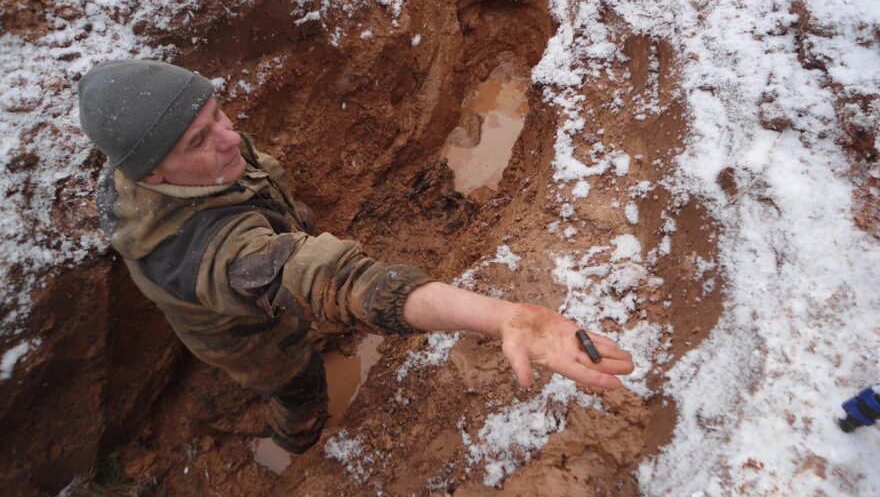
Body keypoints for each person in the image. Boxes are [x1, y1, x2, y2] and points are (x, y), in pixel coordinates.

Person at [78, 60, 634, 454]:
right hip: (255, 338)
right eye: (200, 141)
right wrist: (501, 316)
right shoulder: (202, 253)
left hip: (271, 252)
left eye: (220, 115)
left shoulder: (174, 156)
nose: (229, 138)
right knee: (297, 386)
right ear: (153, 174)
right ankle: (294, 440)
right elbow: (334, 281)